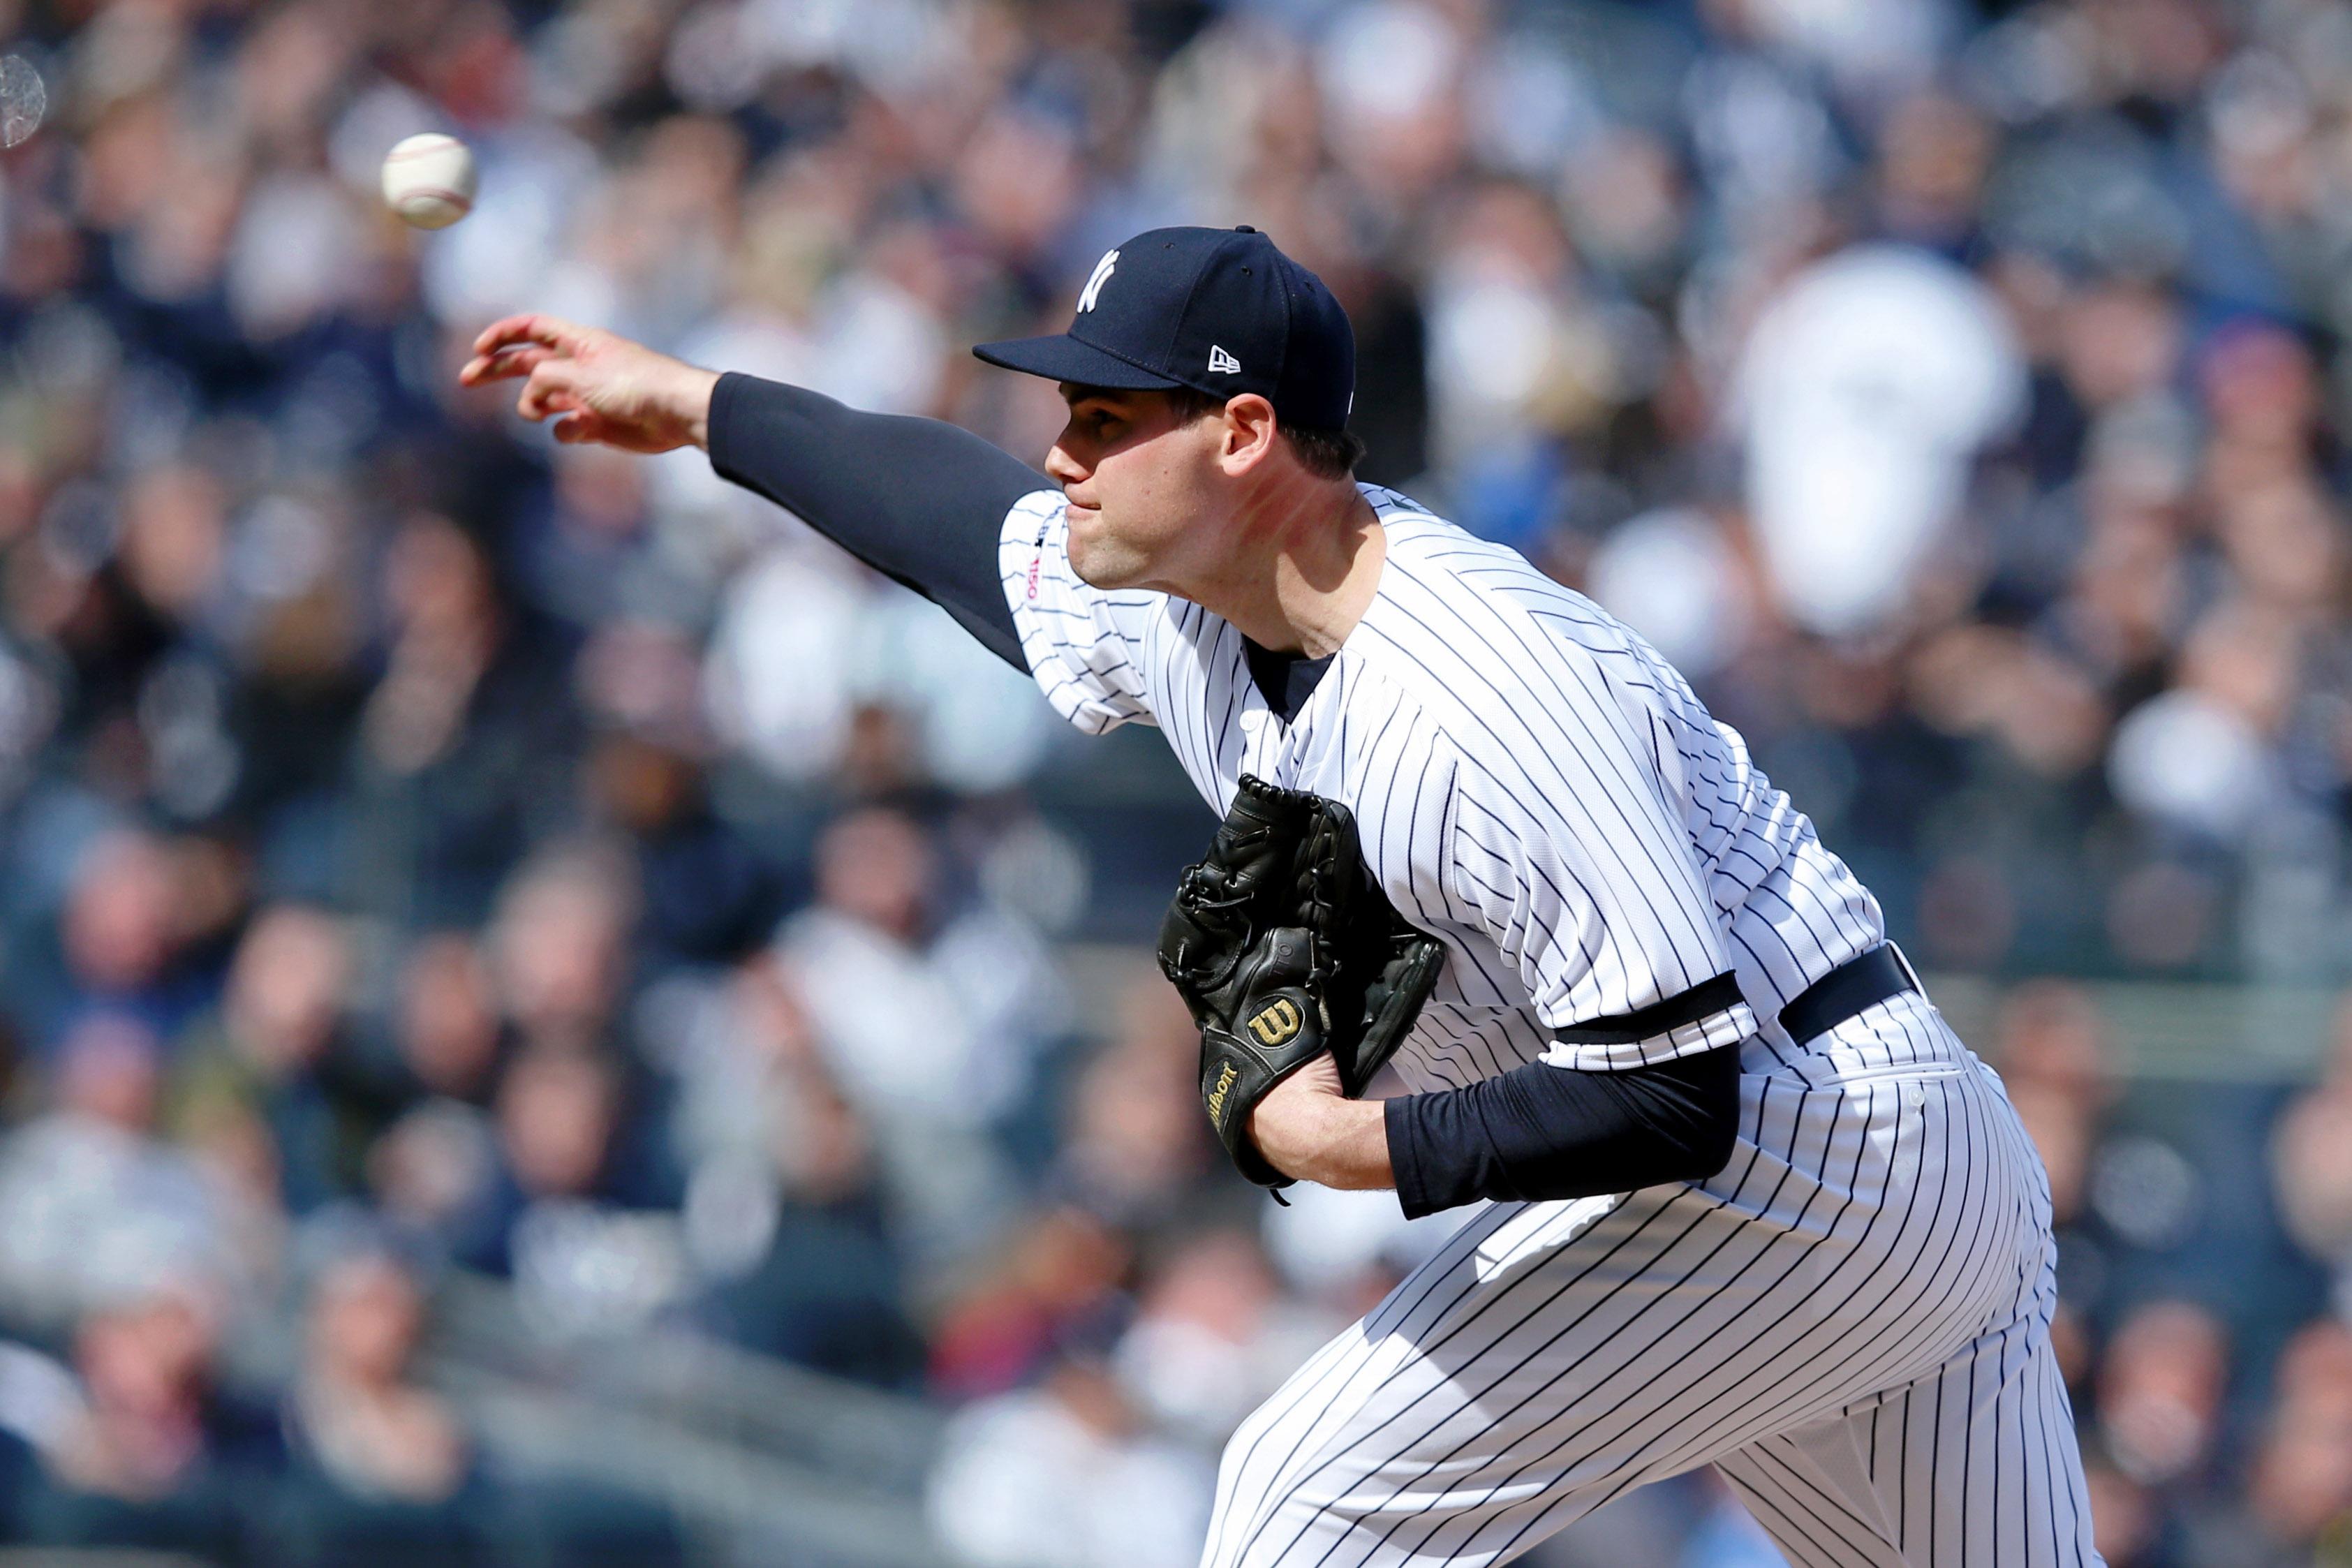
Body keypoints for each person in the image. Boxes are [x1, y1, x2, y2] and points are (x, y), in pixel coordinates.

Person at [461, 225, 2099, 1567]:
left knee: (1299, 1507)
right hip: (1894, 1172)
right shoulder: (1187, 595)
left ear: (1242, 437)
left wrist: (1350, 1146)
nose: (1063, 453)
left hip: (1796, 1153)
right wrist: (694, 405)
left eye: (1106, 421)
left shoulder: (1481, 692)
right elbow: (964, 529)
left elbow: (1678, 1094)